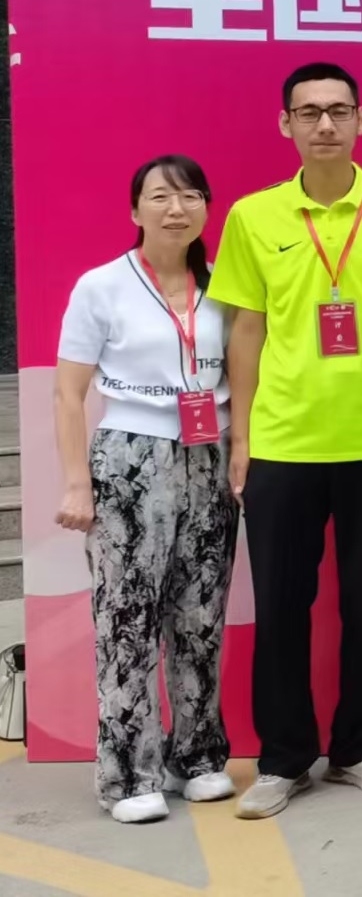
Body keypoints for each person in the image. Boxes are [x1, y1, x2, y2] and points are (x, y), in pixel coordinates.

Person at [209, 62, 362, 819]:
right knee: (282, 606)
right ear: (287, 124)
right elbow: (246, 329)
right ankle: (283, 759)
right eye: (309, 112)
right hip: (284, 442)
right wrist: (241, 436)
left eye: (338, 111)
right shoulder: (253, 216)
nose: (325, 125)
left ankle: (358, 746)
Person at [53, 157, 238, 823]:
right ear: (135, 210)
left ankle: (198, 757)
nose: (175, 208)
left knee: (200, 614)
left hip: (210, 453)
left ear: (207, 208)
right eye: (160, 196)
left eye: (190, 195)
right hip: (130, 458)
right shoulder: (101, 286)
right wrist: (77, 484)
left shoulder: (225, 286)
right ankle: (130, 774)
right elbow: (68, 392)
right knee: (127, 616)